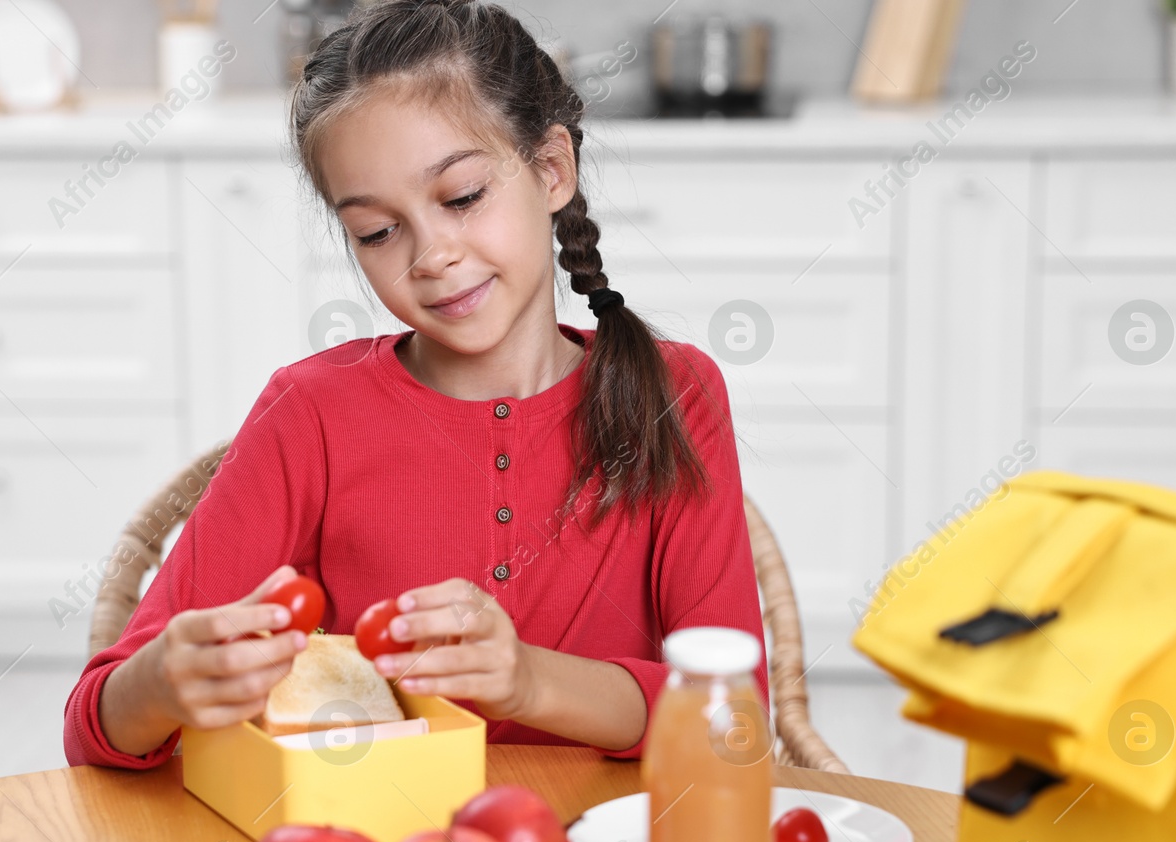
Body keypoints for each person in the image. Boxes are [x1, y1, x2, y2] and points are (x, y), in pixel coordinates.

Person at [63, 0, 768, 769]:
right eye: (377, 231)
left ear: (551, 169)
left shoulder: (677, 392)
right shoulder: (312, 414)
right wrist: (161, 685)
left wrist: (528, 680)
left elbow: (731, 720)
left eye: (463, 197)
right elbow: (93, 724)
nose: (430, 255)